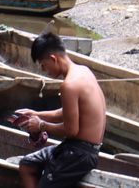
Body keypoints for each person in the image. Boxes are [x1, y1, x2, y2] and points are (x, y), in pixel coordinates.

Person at [15, 32, 106, 188]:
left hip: (79, 155)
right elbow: (66, 113)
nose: (45, 71)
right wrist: (36, 114)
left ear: (53, 59)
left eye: (43, 65)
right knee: (27, 165)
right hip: (79, 149)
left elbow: (71, 130)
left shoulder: (69, 85)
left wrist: (41, 125)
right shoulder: (83, 71)